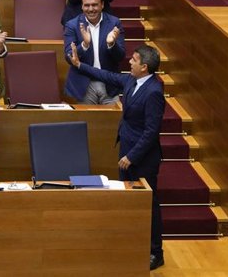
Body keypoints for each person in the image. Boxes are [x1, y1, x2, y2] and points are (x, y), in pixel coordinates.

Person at [68, 44, 165, 270]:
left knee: (149, 204)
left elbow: (151, 132)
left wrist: (132, 156)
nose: (129, 62)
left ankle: (155, 251)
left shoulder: (154, 92)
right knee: (127, 201)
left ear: (145, 67)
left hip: (142, 158)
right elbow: (106, 75)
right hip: (126, 151)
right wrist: (79, 65)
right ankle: (132, 243)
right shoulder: (132, 80)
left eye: (134, 59)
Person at [64, 0, 124, 104]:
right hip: (84, 84)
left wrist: (112, 44)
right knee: (87, 121)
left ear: (102, 4)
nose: (91, 9)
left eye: (94, 5)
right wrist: (84, 45)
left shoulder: (114, 23)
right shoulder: (72, 25)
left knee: (112, 121)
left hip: (109, 84)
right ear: (82, 6)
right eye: (86, 5)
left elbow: (120, 56)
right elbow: (69, 57)